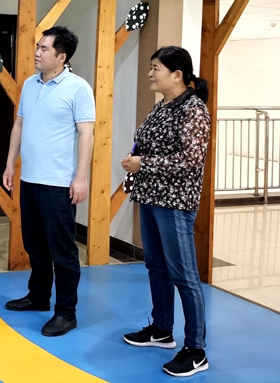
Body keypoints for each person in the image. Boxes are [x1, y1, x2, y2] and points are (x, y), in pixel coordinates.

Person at [121, 46, 211, 378]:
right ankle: (161, 330)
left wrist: (143, 162)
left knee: (184, 275)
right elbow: (147, 143)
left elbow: (191, 159)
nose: (150, 73)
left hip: (174, 202)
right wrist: (135, 160)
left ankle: (196, 350)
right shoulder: (162, 105)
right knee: (155, 266)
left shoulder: (193, 109)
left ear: (177, 75)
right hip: (150, 196)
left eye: (155, 68)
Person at [1, 26, 95, 336]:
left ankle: (66, 313)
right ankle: (39, 296)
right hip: (30, 179)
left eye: (44, 48)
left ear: (62, 56)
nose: (37, 52)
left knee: (63, 251)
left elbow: (86, 134)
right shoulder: (30, 84)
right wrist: (10, 164)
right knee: (35, 245)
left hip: (58, 183)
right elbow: (19, 125)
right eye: (38, 46)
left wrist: (81, 178)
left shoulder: (78, 88)